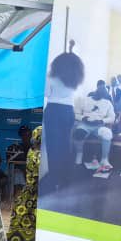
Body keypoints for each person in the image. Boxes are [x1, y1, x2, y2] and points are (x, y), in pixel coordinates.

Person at [41, 43, 85, 191]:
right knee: (65, 145)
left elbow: (46, 93)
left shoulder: (51, 78)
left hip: (54, 110)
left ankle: (54, 179)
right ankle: (65, 179)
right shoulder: (73, 79)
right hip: (68, 111)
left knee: (53, 147)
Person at [6, 126, 42, 241]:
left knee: (22, 221)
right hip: (35, 196)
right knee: (31, 222)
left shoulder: (32, 151)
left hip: (28, 195)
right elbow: (40, 176)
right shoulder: (38, 155)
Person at [72, 80, 116, 172]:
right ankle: (79, 154)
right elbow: (75, 114)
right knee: (78, 133)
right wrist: (82, 118)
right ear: (96, 90)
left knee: (108, 133)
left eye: (103, 92)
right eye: (99, 91)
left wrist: (102, 120)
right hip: (85, 125)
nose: (101, 93)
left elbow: (112, 117)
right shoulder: (84, 100)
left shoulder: (107, 103)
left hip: (99, 126)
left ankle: (104, 159)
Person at [6, 125, 33, 190]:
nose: (26, 136)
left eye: (27, 134)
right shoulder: (16, 147)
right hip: (19, 171)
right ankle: (18, 195)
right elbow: (9, 160)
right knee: (18, 174)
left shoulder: (35, 148)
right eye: (23, 134)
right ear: (21, 136)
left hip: (32, 171)